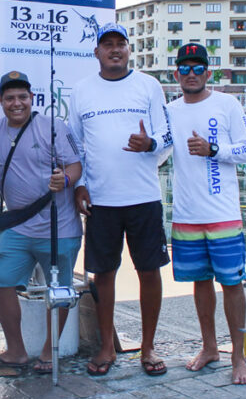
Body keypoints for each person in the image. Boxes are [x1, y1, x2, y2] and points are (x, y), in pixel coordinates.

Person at [68, 23, 172, 377]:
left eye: (120, 44)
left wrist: (152, 145)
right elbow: (75, 145)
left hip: (144, 197)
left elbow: (167, 135)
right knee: (103, 274)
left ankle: (149, 346)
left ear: (130, 50)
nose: (114, 50)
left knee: (149, 271)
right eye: (107, 45)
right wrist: (79, 184)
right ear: (96, 52)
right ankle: (107, 346)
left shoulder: (148, 86)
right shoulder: (82, 90)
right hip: (101, 200)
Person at [0, 71, 83, 373]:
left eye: (22, 97)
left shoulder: (54, 127)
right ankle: (16, 351)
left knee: (58, 289)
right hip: (17, 224)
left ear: (32, 99)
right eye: (10, 98)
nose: (16, 103)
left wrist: (66, 179)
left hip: (59, 226)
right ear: (1, 101)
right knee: (2, 281)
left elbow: (75, 164)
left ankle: (49, 352)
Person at [164, 44, 246, 384]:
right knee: (200, 283)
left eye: (197, 67)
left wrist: (213, 149)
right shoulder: (169, 110)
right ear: (176, 75)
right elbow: (158, 152)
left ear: (208, 72)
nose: (191, 74)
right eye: (184, 68)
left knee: (232, 283)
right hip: (186, 214)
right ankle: (209, 347)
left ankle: (239, 357)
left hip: (223, 214)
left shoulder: (227, 104)